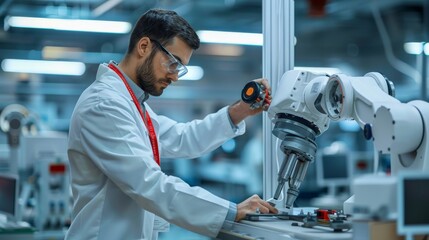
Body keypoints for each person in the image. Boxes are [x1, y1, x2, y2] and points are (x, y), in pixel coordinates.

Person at [65, 8, 277, 240]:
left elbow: (182, 138)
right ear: (144, 46)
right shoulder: (104, 105)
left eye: (180, 68)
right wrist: (230, 211)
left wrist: (239, 112)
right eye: (173, 63)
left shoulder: (132, 103)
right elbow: (149, 183)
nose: (175, 76)